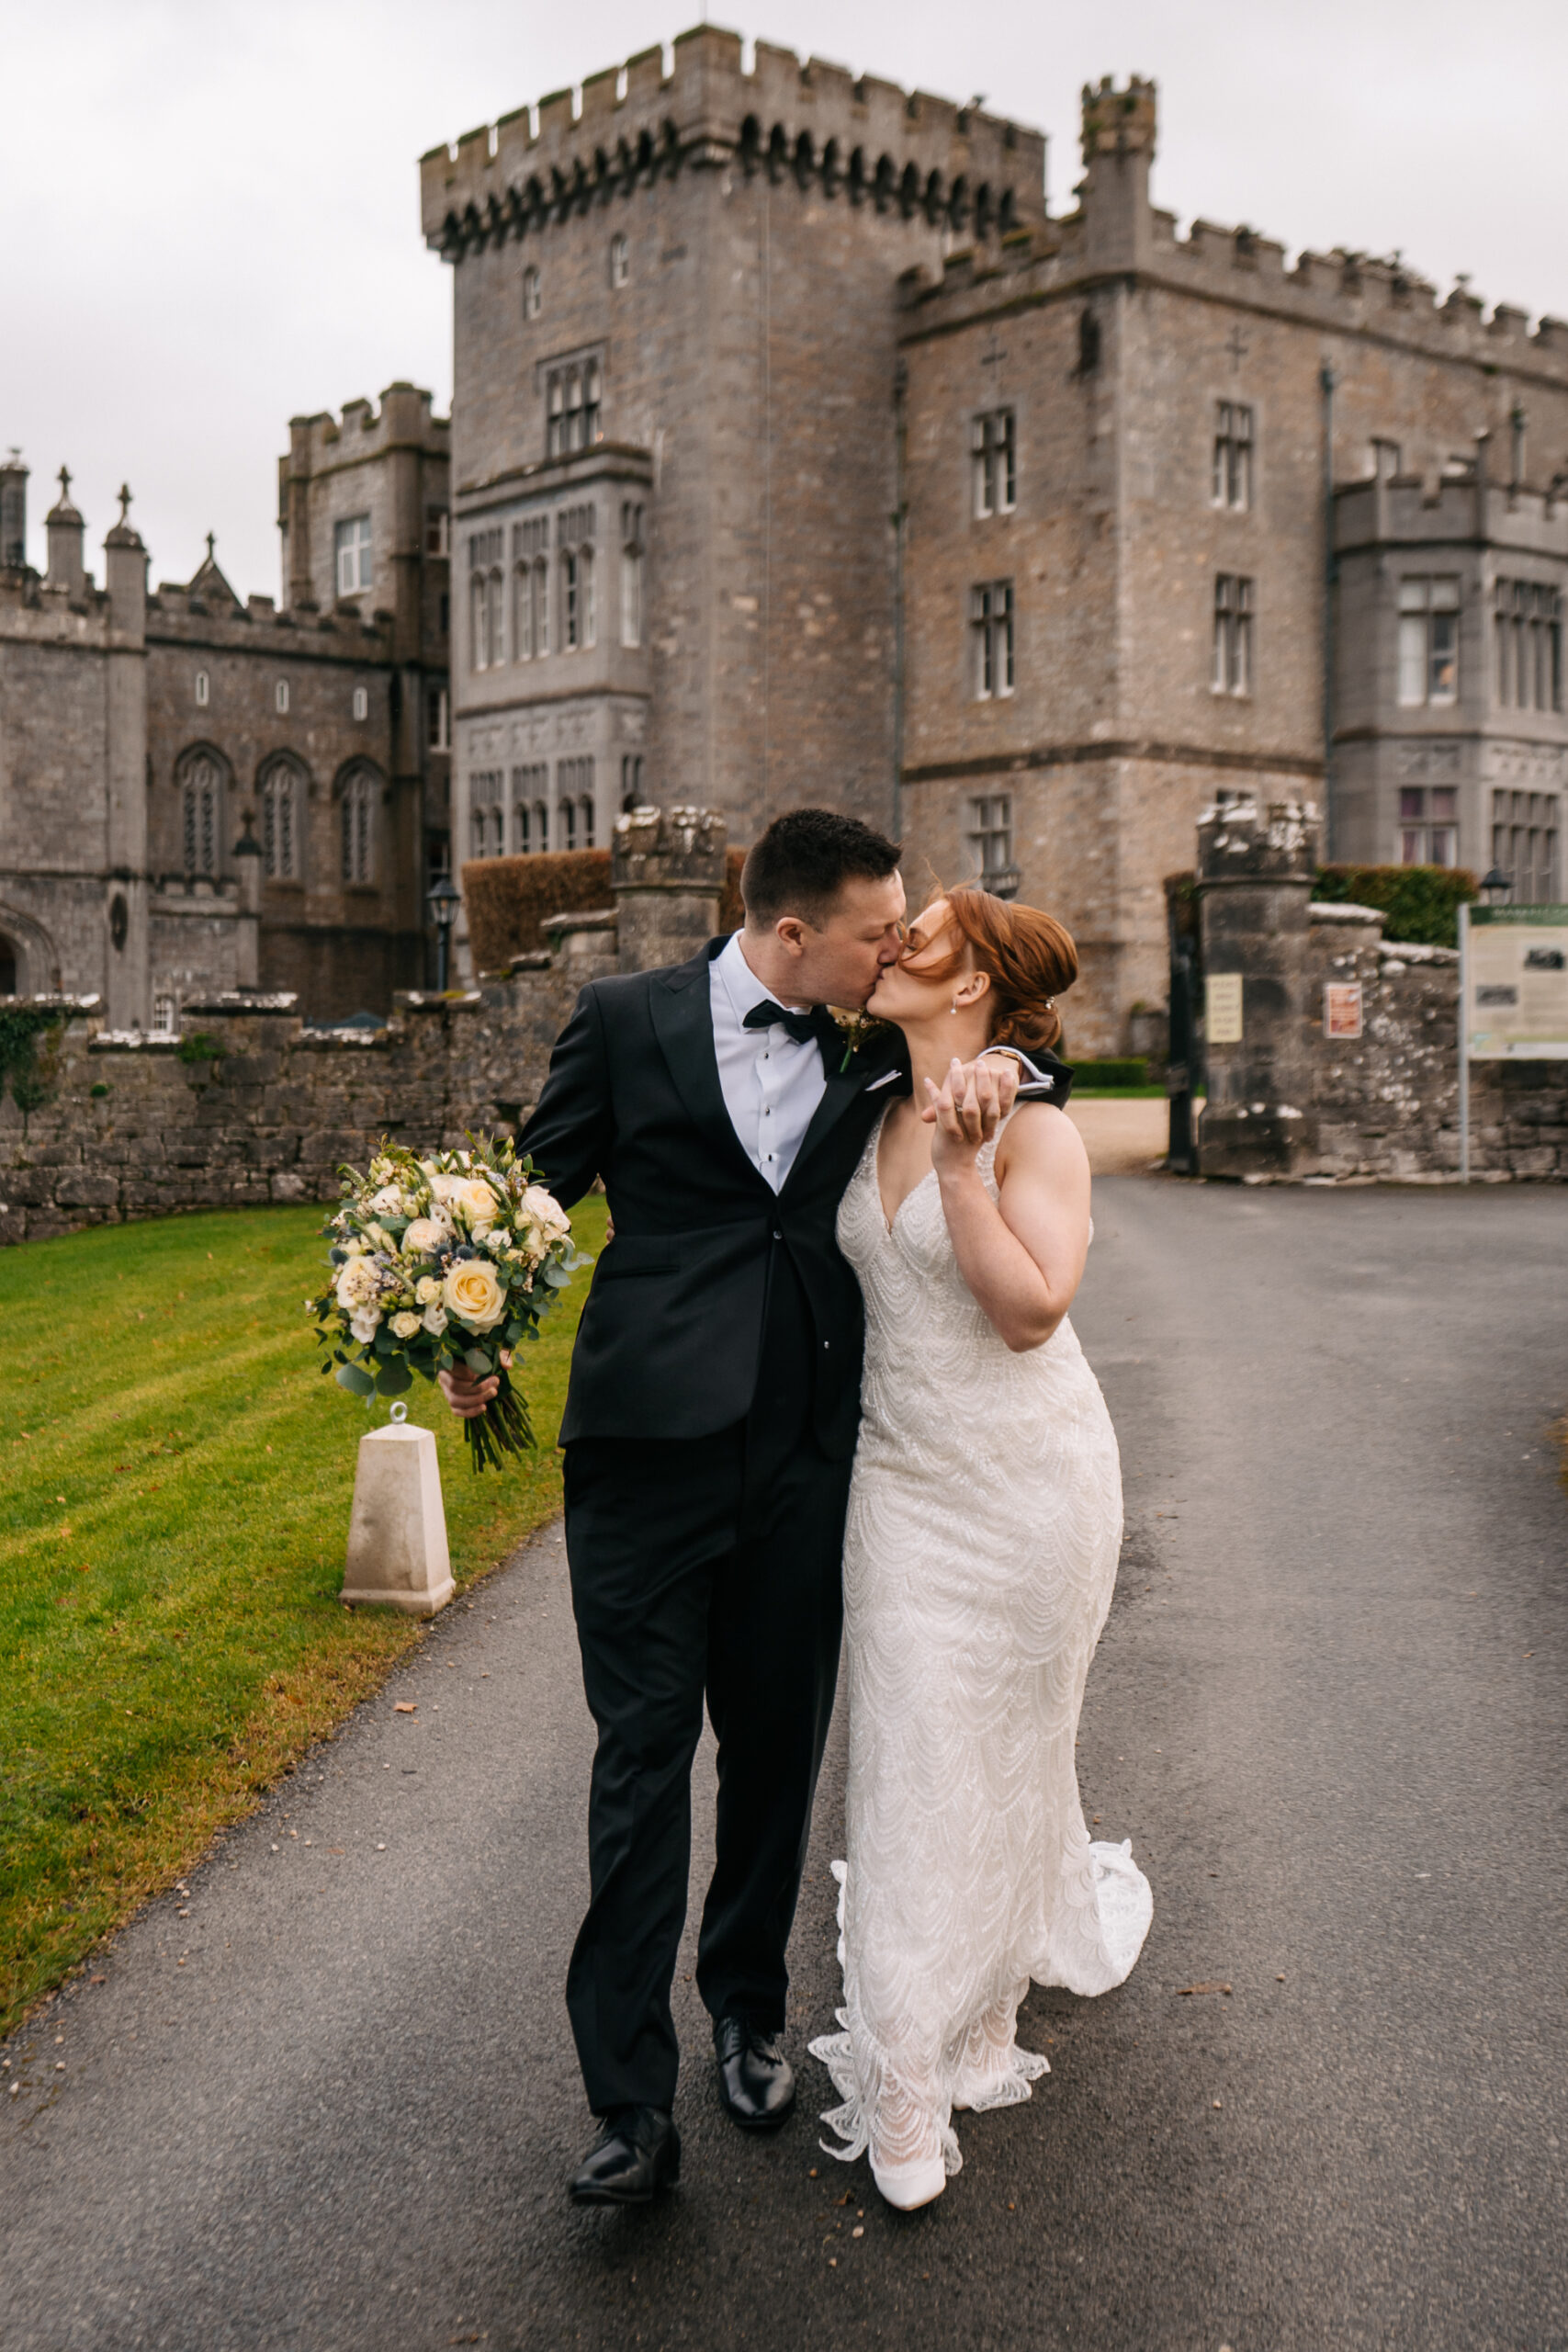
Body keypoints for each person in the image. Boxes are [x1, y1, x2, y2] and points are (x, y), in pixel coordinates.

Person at [439, 811, 1062, 2206]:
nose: (895, 951)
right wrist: (474, 1342)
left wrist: (1010, 1063)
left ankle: (746, 2010)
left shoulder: (863, 1040)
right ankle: (627, 2102)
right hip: (643, 1463)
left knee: (774, 1758)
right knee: (642, 1765)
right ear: (795, 934)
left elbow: (1009, 1058)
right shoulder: (620, 1019)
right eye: (875, 932)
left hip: (805, 1463)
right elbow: (531, 1201)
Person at [808, 887, 1153, 2211]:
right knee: (904, 1758)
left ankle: (981, 2000)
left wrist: (964, 1169)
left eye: (922, 932)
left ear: (972, 986)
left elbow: (1028, 1313)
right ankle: (902, 2067)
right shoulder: (862, 1102)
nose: (890, 942)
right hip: (899, 1488)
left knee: (1006, 1756)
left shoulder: (1042, 1134)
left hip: (1032, 1496)